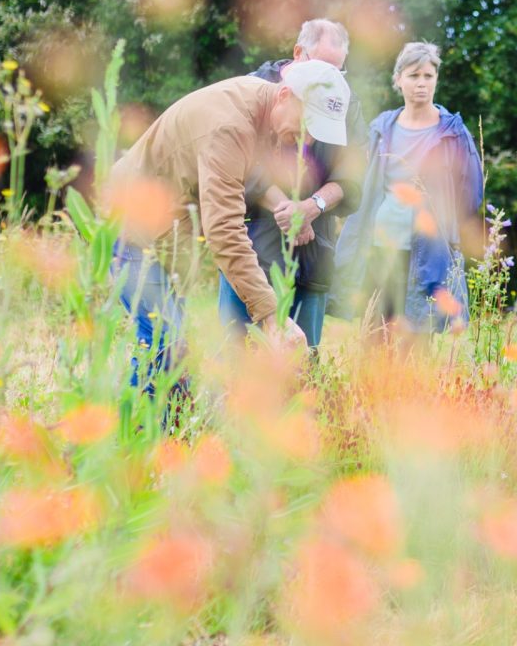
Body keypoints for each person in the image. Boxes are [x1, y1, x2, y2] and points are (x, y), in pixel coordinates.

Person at [108, 60, 351, 396]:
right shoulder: (231, 127)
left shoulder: (262, 109)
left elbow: (248, 179)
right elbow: (224, 229)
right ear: (284, 95)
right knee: (164, 342)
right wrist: (272, 317)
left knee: (172, 345)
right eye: (307, 124)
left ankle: (167, 433)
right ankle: (140, 438)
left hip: (165, 236)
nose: (306, 138)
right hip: (132, 226)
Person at [216, 20, 366, 349]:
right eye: (323, 66)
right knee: (237, 353)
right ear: (298, 53)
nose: (331, 79)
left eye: (338, 71)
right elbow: (236, 161)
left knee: (303, 359)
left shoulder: (345, 103)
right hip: (254, 243)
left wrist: (313, 207)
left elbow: (354, 176)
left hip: (314, 250)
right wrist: (287, 208)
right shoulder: (255, 88)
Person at [333, 42, 483, 333]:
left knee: (418, 339)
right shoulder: (382, 127)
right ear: (398, 79)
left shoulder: (452, 132)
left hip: (428, 252)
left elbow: (470, 193)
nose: (422, 84)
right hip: (380, 247)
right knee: (374, 336)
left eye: (429, 76)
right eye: (414, 76)